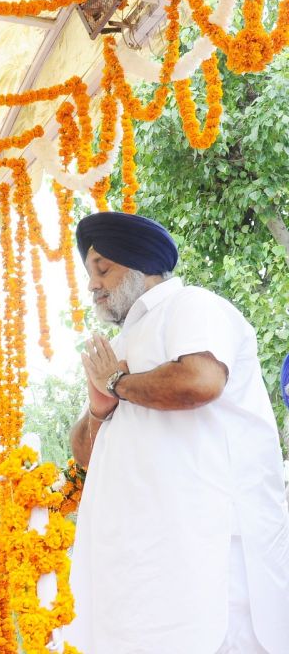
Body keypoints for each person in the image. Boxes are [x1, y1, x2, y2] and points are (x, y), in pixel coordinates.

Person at [64, 212, 289, 654]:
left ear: (139, 264)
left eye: (102, 268)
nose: (92, 285)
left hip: (205, 560)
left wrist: (119, 385)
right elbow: (86, 456)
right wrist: (100, 405)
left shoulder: (192, 306)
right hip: (140, 569)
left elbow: (199, 381)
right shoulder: (121, 345)